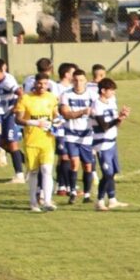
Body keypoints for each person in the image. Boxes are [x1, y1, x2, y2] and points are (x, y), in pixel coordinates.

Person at [14, 73, 60, 212]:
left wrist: (57, 122)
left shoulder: (51, 98)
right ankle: (33, 202)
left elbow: (56, 114)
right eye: (40, 83)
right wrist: (32, 122)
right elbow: (18, 119)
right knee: (33, 172)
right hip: (31, 141)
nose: (42, 86)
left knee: (47, 170)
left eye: (45, 84)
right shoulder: (25, 98)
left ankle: (46, 201)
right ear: (35, 83)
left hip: (47, 140)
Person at [91, 78, 130, 211]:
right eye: (111, 90)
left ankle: (112, 200)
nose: (113, 93)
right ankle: (99, 200)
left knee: (112, 173)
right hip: (101, 144)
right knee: (107, 173)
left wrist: (121, 117)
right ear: (103, 91)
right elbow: (104, 126)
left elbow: (115, 124)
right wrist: (117, 118)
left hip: (112, 142)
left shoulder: (111, 102)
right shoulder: (96, 104)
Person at [0, 62, 26, 181]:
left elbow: (20, 93)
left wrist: (15, 108)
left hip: (11, 116)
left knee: (12, 144)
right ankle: (28, 162)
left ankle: (19, 175)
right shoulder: (1, 82)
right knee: (2, 143)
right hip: (5, 115)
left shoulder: (7, 81)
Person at [59, 69, 95, 204]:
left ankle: (86, 195)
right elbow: (66, 114)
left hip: (87, 134)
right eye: (76, 80)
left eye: (81, 80)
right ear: (72, 81)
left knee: (87, 166)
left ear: (86, 80)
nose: (78, 83)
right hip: (71, 134)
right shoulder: (66, 95)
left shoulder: (92, 95)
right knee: (74, 163)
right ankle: (72, 191)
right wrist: (83, 111)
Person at [54, 62, 78, 196]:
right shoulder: (56, 87)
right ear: (67, 74)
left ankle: (61, 185)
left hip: (72, 126)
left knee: (64, 157)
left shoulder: (73, 88)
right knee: (64, 156)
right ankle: (66, 186)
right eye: (73, 73)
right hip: (59, 125)